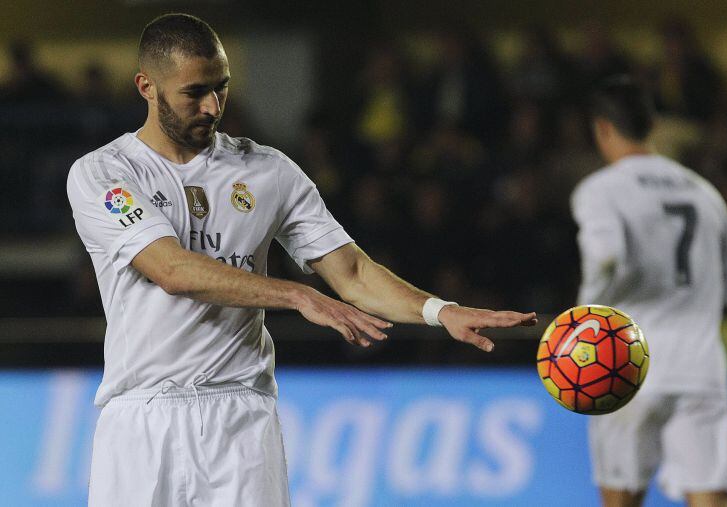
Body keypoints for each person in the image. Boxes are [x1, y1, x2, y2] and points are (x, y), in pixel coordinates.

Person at [66, 13, 537, 506]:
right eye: (194, 92)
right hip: (142, 418)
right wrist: (295, 294)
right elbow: (171, 269)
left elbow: (351, 271)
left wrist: (441, 311)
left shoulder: (268, 171)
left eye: (221, 88)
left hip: (241, 418)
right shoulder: (103, 173)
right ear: (146, 86)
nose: (212, 105)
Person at [571, 76, 727, 507]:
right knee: (709, 495)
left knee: (622, 497)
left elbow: (606, 256)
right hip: (700, 366)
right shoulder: (703, 191)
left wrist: (584, 314)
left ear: (602, 128)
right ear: (651, 125)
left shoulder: (599, 190)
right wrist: (691, 294)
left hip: (626, 363)